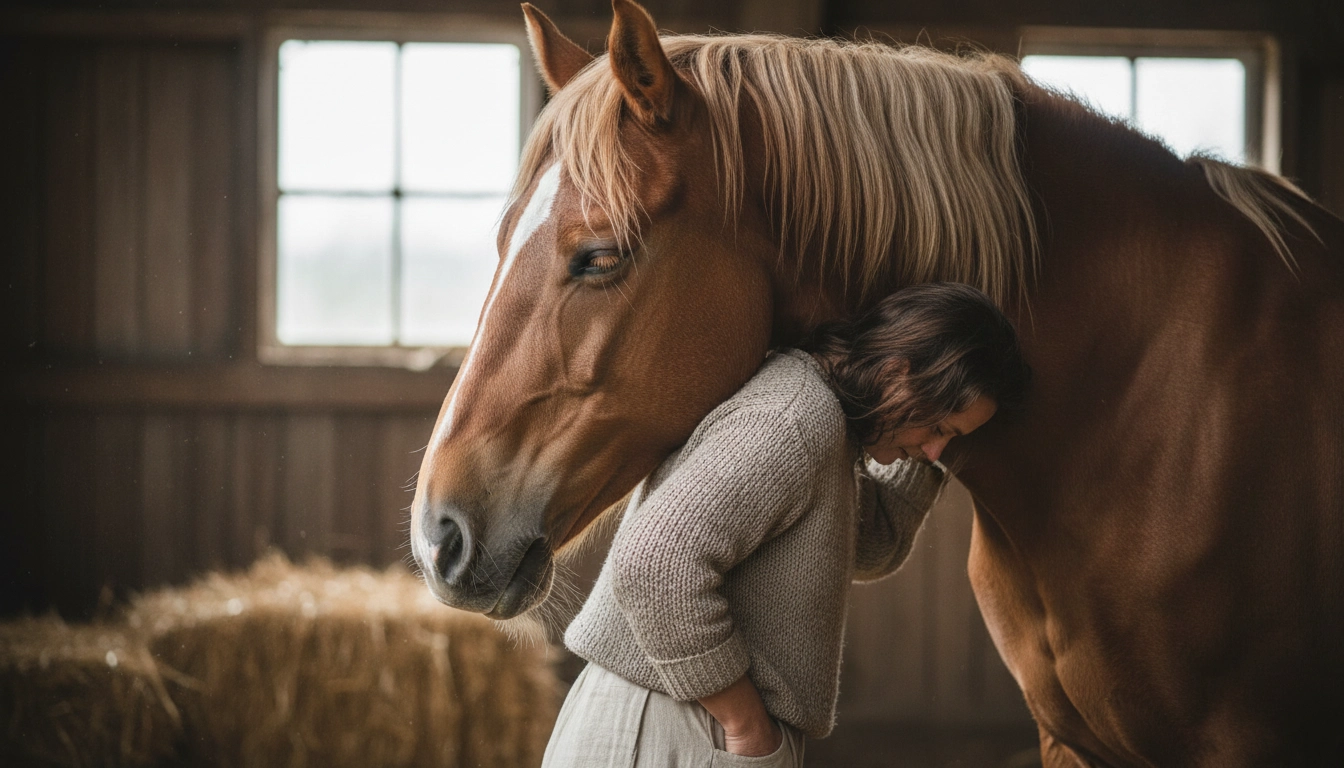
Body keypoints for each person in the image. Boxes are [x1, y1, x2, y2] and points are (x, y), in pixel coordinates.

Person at [543, 282, 1030, 767]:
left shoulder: (829, 423)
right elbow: (655, 565)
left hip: (689, 716)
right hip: (674, 720)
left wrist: (916, 455)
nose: (937, 450)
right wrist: (744, 722)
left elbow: (870, 547)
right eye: (941, 429)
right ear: (898, 372)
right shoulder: (794, 418)